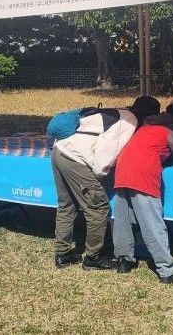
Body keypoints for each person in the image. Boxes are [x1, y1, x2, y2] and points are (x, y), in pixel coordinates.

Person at [51, 96, 159, 270]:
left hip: (59, 150)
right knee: (98, 208)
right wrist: (97, 180)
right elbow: (103, 158)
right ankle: (93, 258)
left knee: (67, 205)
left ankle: (62, 254)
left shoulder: (118, 112)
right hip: (76, 159)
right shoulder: (129, 121)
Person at [113, 101, 173, 283]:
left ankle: (124, 260)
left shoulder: (146, 127)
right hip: (143, 174)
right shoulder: (170, 131)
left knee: (123, 220)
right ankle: (167, 270)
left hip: (122, 170)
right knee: (152, 223)